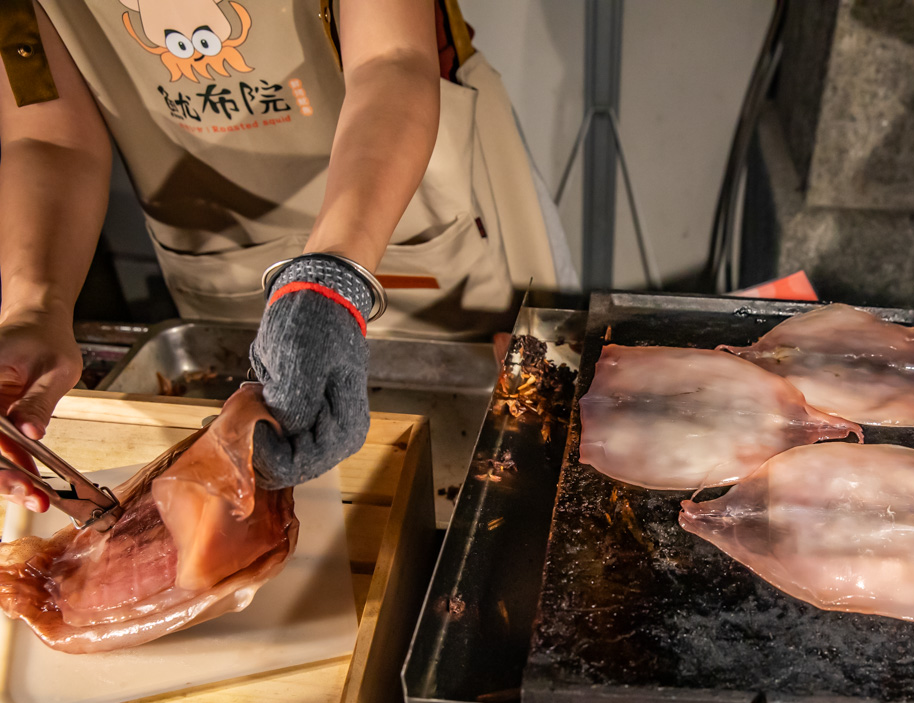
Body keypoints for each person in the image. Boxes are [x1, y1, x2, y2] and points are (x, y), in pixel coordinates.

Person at [0, 0, 567, 505]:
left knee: (515, 458)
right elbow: (46, 133)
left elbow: (390, 60)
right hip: (216, 243)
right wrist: (35, 305)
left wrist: (329, 276)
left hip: (410, 190)